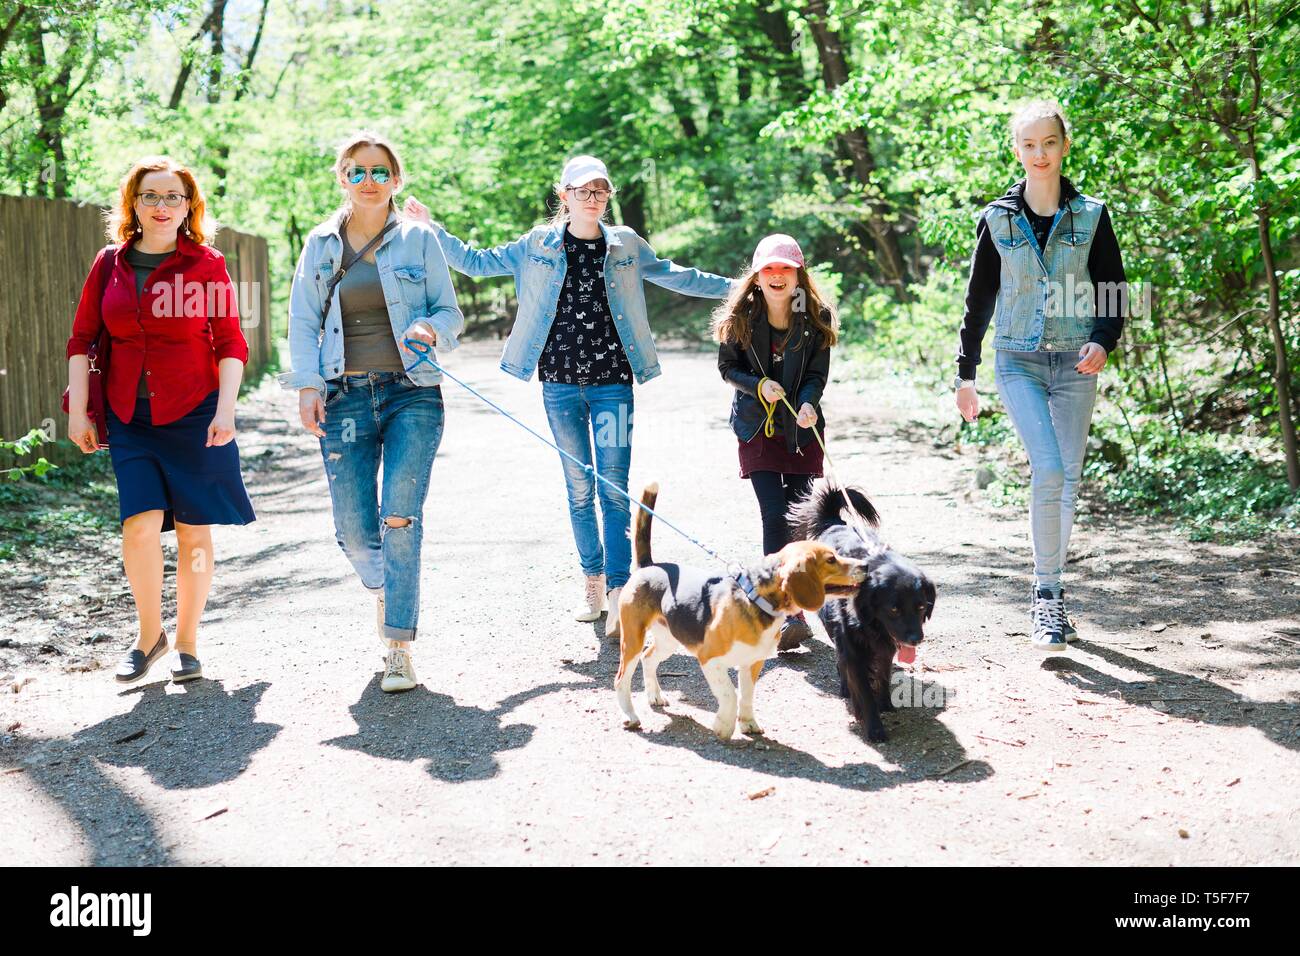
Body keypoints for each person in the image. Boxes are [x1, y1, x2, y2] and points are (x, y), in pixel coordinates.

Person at [403, 155, 734, 638]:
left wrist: (739, 286)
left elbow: (675, 274)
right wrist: (433, 230)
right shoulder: (536, 244)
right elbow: (476, 263)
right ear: (565, 195)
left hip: (613, 385)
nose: (593, 198)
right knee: (580, 487)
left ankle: (624, 593)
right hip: (558, 385)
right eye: (583, 191)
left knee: (614, 486)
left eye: (601, 190)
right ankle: (593, 584)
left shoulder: (625, 245)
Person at [282, 130, 464, 692]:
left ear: (396, 179)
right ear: (342, 178)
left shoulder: (419, 239)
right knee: (356, 529)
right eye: (357, 171)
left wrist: (431, 326)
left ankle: (399, 645)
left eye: (379, 171)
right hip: (345, 395)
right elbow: (303, 320)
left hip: (413, 392)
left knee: (400, 515)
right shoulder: (320, 243)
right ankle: (387, 585)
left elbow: (449, 311)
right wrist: (307, 386)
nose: (368, 181)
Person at [66, 155, 254, 685]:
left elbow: (231, 342)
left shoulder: (207, 265)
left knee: (194, 533)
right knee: (139, 526)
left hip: (195, 414)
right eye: (151, 196)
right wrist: (80, 410)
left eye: (174, 196)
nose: (162, 206)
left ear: (189, 205)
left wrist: (225, 411)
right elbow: (81, 340)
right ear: (134, 203)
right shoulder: (110, 263)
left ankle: (188, 641)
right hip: (131, 417)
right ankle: (149, 635)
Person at [954, 99, 1127, 651]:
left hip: (1077, 362)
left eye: (1048, 143)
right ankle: (1044, 600)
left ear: (1064, 146)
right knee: (1048, 468)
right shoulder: (998, 219)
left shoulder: (1091, 215)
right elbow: (979, 297)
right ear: (1017, 151)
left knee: (1067, 480)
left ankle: (1054, 598)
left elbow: (1112, 288)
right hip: (1018, 358)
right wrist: (965, 372)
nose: (1039, 154)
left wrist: (1103, 340)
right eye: (1028, 145)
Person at [715, 234, 837, 650]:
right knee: (773, 514)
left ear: (798, 275)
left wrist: (807, 403)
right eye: (769, 269)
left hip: (802, 431)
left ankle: (794, 602)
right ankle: (787, 613)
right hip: (756, 428)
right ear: (756, 276)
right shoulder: (741, 318)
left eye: (785, 268)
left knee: (800, 518)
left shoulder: (816, 316)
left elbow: (817, 376)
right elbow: (727, 368)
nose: (777, 275)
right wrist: (758, 384)